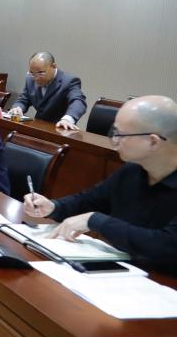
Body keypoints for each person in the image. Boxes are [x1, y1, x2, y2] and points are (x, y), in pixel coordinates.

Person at [22, 96, 177, 268]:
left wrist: (97, 221)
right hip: (126, 269)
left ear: (153, 141)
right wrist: (53, 207)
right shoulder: (132, 170)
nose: (114, 141)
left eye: (120, 134)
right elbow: (88, 201)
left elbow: (167, 246)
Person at [8, 52, 87, 130]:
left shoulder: (68, 81)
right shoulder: (30, 78)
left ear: (54, 66)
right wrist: (18, 108)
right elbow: (24, 99)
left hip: (59, 129)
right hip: (37, 127)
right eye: (32, 72)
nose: (36, 78)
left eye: (41, 73)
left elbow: (78, 101)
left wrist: (67, 119)